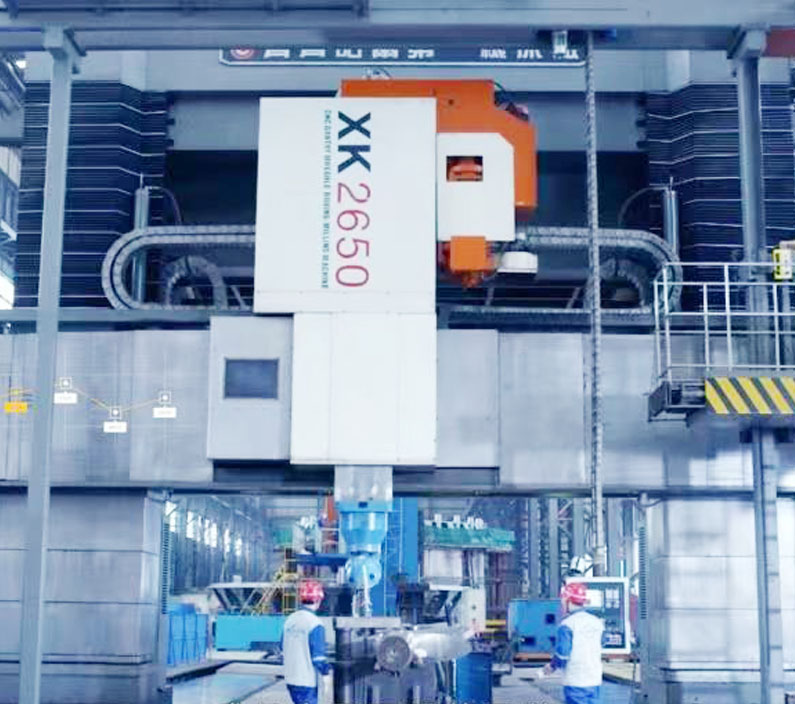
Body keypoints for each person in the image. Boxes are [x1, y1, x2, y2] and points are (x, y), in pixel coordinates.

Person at [544, 582, 605, 704]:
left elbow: (563, 654)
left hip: (576, 680)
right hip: (595, 679)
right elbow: (603, 642)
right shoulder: (597, 622)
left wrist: (551, 667)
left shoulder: (567, 625)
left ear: (567, 601)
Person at [281, 580, 331, 704]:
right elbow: (318, 658)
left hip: (290, 678)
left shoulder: (290, 620)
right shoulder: (315, 623)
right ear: (318, 600)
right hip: (306, 681)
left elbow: (282, 646)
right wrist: (326, 674)